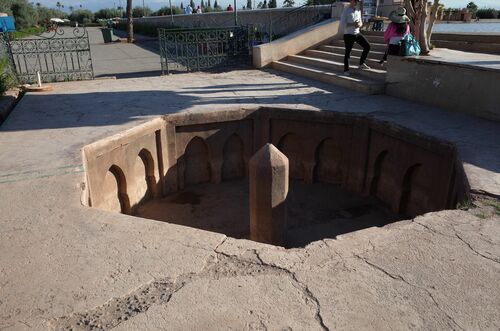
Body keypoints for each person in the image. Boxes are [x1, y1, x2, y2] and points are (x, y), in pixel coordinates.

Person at [340, 0, 371, 76]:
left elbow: (360, 22)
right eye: (355, 1)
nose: (357, 2)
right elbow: (342, 24)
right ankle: (346, 70)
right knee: (348, 52)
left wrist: (360, 25)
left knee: (367, 46)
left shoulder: (358, 11)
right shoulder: (346, 11)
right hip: (348, 34)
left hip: (357, 33)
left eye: (358, 1)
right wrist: (352, 24)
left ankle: (361, 63)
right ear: (351, 1)